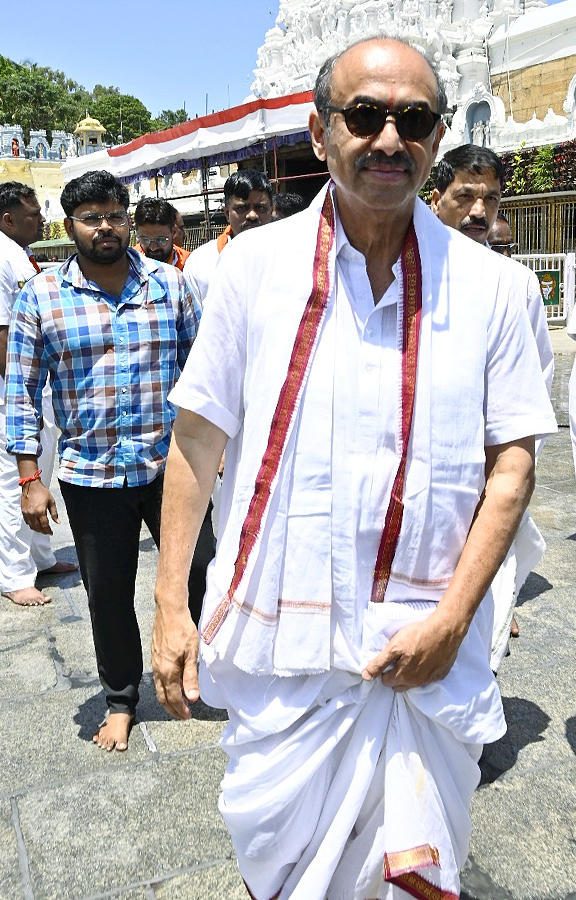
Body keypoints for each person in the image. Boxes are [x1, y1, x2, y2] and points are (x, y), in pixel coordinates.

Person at [152, 37, 556, 900]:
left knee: (411, 872)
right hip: (284, 643)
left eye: (412, 120)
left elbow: (512, 467)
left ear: (437, 138)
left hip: (425, 651)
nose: (387, 139)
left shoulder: (497, 290)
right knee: (283, 863)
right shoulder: (250, 271)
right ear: (317, 130)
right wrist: (169, 606)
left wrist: (454, 620)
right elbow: (197, 437)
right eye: (364, 116)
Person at [5, 170, 200, 752]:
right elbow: (21, 392)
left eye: (115, 214)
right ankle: (121, 699)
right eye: (92, 217)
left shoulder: (169, 285)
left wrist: (216, 453)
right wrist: (29, 479)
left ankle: (202, 671)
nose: (106, 226)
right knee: (108, 595)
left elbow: (204, 373)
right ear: (71, 226)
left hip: (172, 469)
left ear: (128, 218)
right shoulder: (40, 297)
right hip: (91, 474)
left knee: (200, 574)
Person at [431, 145, 553, 665]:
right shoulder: (405, 267)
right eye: (465, 196)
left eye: (491, 199)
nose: (479, 211)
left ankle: (472, 726)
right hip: (418, 475)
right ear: (436, 198)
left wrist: (507, 469)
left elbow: (536, 383)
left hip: (486, 476)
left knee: (483, 612)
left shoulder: (518, 285)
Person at [0, 182, 77, 607]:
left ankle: (39, 556)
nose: (41, 220)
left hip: (36, 391)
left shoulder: (18, 258)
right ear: (8, 220)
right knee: (16, 480)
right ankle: (15, 574)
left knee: (40, 474)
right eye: (34, 214)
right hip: (16, 394)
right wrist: (25, 397)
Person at [183, 169, 273, 305]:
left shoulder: (290, 257)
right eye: (242, 208)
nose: (252, 216)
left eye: (260, 208)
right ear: (226, 213)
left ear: (271, 211)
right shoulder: (200, 262)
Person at [133, 197, 190, 271]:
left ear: (173, 232)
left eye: (160, 240)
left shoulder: (188, 264)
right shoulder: (129, 263)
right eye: (145, 240)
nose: (153, 248)